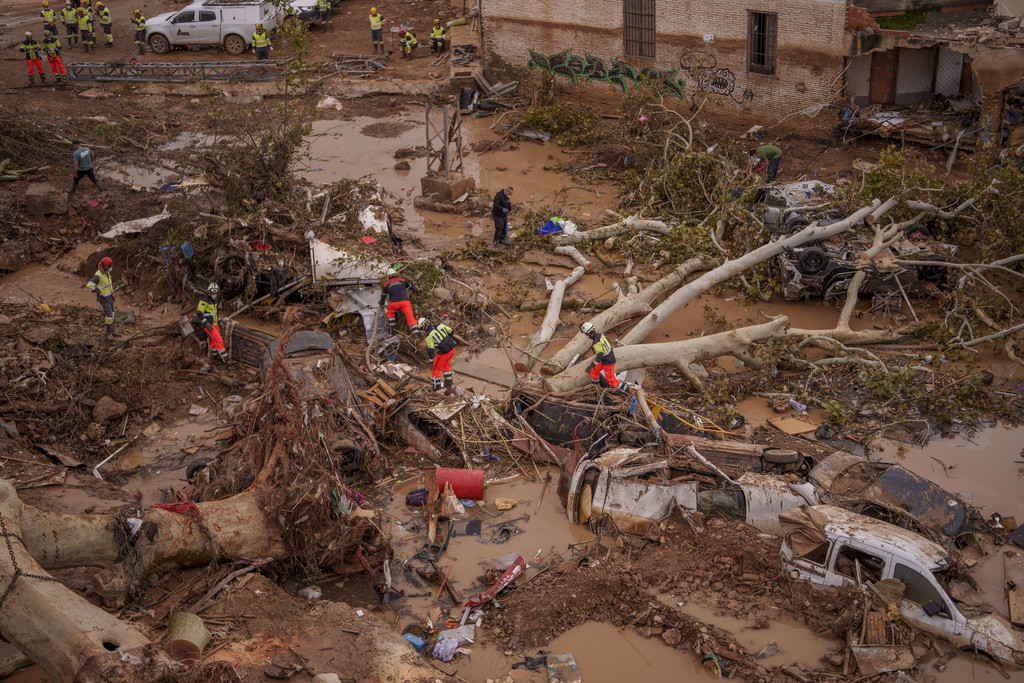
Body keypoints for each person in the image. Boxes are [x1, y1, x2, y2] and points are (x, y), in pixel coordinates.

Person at [580, 322, 624, 391]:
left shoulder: (596, 343)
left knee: (612, 382)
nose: (586, 336)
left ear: (588, 333)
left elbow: (600, 355)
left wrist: (593, 364)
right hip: (606, 359)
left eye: (585, 334)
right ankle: (596, 388)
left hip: (608, 362)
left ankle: (628, 392)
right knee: (593, 371)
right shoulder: (599, 335)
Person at [379, 267, 421, 335]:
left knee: (389, 312)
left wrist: (381, 302)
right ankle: (416, 334)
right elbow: (411, 287)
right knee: (410, 318)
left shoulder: (386, 284)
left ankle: (392, 329)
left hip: (394, 303)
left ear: (388, 277)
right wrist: (416, 289)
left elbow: (383, 295)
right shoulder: (402, 280)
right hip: (405, 303)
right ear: (396, 274)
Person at [85, 256, 118, 339]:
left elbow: (108, 286)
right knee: (109, 315)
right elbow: (89, 285)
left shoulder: (106, 273)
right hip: (103, 298)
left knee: (113, 314)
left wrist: (112, 294)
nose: (110, 268)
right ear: (104, 266)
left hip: (109, 297)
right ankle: (109, 333)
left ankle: (113, 331)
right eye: (109, 266)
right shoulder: (98, 275)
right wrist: (97, 291)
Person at [421, 317, 456, 393]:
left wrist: (431, 362)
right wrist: (449, 340)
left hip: (444, 352)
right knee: (446, 365)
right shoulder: (440, 325)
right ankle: (449, 383)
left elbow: (431, 350)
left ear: (423, 327)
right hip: (452, 348)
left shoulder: (428, 336)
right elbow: (451, 331)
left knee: (435, 369)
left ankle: (436, 388)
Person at [197, 283, 229, 363]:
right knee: (219, 340)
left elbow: (215, 313)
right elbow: (199, 313)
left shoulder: (215, 301)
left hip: (215, 324)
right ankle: (226, 360)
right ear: (209, 292)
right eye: (213, 293)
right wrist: (206, 323)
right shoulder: (204, 301)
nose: (215, 295)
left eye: (216, 293)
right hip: (209, 325)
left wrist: (219, 321)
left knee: (214, 341)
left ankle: (213, 357)